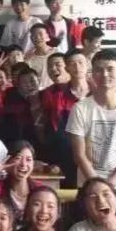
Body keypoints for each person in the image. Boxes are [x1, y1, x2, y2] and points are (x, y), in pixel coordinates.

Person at [66, 49, 116, 220]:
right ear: (92, 73)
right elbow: (79, 155)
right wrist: (99, 187)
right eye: (99, 70)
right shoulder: (80, 108)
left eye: (110, 69)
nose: (104, 74)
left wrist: (110, 185)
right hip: (89, 184)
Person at [40, 50, 90, 188]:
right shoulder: (56, 95)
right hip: (68, 155)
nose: (77, 67)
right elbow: (55, 129)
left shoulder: (97, 91)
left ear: (87, 64)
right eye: (72, 64)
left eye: (80, 63)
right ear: (67, 68)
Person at [0, 140, 44, 225]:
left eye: (28, 160)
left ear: (33, 164)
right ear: (8, 161)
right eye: (18, 158)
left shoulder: (39, 189)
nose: (23, 164)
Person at [0, 67, 42, 145]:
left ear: (39, 80)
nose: (29, 85)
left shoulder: (45, 96)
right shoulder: (9, 97)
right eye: (24, 82)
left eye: (32, 81)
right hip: (16, 142)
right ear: (18, 85)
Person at [23, 23, 54, 89]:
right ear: (31, 38)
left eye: (40, 34)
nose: (37, 37)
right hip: (36, 91)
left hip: (54, 90)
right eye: (34, 35)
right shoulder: (27, 56)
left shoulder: (56, 53)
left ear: (47, 36)